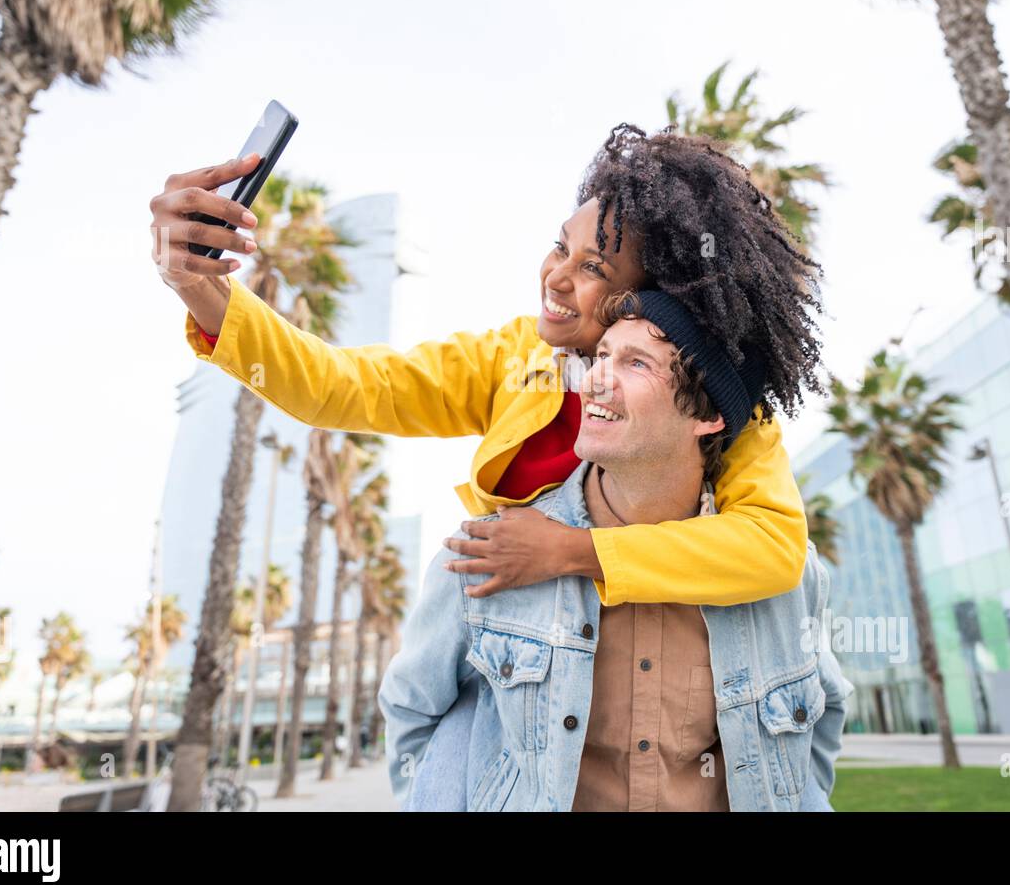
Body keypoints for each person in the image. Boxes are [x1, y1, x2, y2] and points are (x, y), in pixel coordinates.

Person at [150, 123, 824, 608]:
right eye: (559, 247)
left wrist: (569, 552)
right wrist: (199, 286)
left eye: (592, 267)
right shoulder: (515, 359)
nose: (555, 277)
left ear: (651, 295)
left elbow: (770, 546)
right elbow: (341, 386)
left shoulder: (705, 400)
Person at [379, 290, 853, 811]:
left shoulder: (787, 574)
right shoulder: (492, 550)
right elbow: (413, 708)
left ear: (709, 415)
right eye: (600, 355)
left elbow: (822, 715)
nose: (595, 379)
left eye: (636, 363)